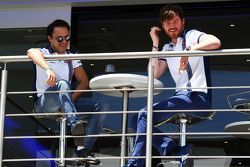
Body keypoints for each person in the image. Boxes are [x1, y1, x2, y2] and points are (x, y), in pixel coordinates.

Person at [124, 4, 221, 167]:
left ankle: (135, 164)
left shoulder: (192, 35)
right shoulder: (167, 48)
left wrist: (189, 51)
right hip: (181, 99)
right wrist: (155, 42)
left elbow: (215, 42)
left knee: (144, 115)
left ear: (183, 21)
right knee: (137, 118)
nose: (172, 25)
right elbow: (153, 74)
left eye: (175, 20)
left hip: (197, 98)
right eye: (167, 23)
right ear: (163, 26)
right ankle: (174, 150)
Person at [27, 19, 103, 165]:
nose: (64, 42)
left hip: (66, 104)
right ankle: (76, 127)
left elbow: (84, 82)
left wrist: (68, 101)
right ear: (50, 38)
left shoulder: (71, 55)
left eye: (67, 37)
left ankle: (83, 148)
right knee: (62, 83)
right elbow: (31, 52)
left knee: (100, 106)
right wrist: (48, 69)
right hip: (44, 105)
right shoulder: (43, 52)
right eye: (59, 38)